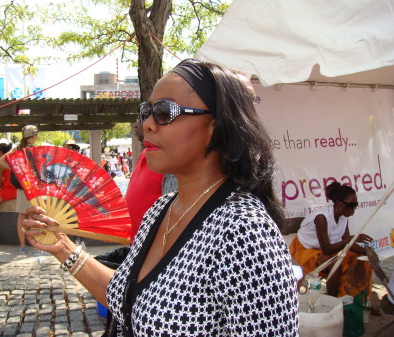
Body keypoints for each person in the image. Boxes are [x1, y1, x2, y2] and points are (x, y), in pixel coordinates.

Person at [22, 59, 298, 335]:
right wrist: (63, 248)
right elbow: (128, 302)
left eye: (165, 112)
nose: (148, 125)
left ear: (214, 127)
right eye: (147, 111)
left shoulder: (243, 231)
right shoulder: (161, 209)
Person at [289, 181, 374, 298]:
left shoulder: (344, 216)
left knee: (361, 260)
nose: (353, 209)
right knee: (334, 264)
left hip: (325, 248)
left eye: (355, 205)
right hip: (304, 251)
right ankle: (333, 301)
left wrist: (366, 253)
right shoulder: (321, 218)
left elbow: (346, 241)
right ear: (339, 203)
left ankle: (361, 300)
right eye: (350, 205)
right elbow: (327, 250)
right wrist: (353, 238)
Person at [0, 125, 39, 254]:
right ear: (33, 136)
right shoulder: (35, 149)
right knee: (34, 215)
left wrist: (16, 170)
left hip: (21, 185)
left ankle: (22, 246)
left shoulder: (17, 148)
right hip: (32, 185)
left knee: (22, 215)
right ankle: (36, 246)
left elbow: (1, 161)